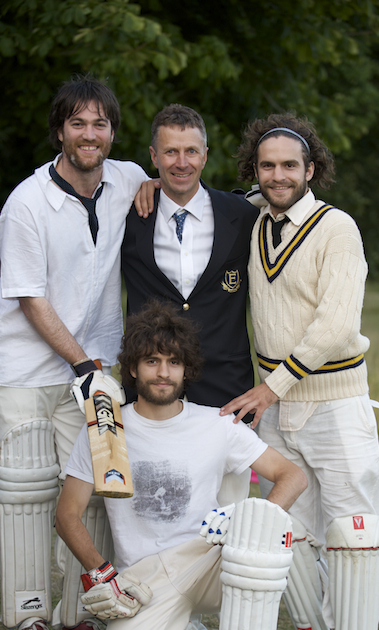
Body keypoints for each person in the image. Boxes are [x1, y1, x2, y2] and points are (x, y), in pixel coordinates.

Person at [55, 301, 307, 630]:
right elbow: (68, 513)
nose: (163, 372)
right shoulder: (105, 431)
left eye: (173, 362)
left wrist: (254, 518)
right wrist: (102, 572)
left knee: (255, 539)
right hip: (144, 580)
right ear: (132, 367)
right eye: (152, 361)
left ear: (187, 370)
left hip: (211, 561)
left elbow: (293, 475)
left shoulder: (216, 425)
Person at [220, 114, 379, 630]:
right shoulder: (255, 216)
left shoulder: (336, 227)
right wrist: (154, 187)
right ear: (254, 170)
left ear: (311, 168)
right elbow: (197, 204)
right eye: (267, 165)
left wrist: (273, 387)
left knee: (352, 533)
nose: (278, 175)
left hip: (334, 402)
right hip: (277, 408)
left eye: (290, 165)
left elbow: (337, 324)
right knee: (290, 529)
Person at [0, 75, 149, 630]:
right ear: (60, 131)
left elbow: (179, 187)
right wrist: (82, 363)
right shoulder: (27, 203)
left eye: (99, 123)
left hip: (93, 368)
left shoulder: (127, 179)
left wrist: (259, 199)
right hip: (28, 370)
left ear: (111, 132)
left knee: (99, 491)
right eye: (77, 123)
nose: (89, 134)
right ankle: (29, 619)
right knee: (27, 494)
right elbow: (30, 297)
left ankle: (81, 616)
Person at [122, 104, 259, 505]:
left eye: (191, 151)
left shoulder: (242, 214)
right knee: (155, 501)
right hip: (152, 384)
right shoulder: (128, 215)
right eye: (170, 152)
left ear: (205, 154)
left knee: (230, 506)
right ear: (153, 157)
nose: (181, 163)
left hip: (225, 387)